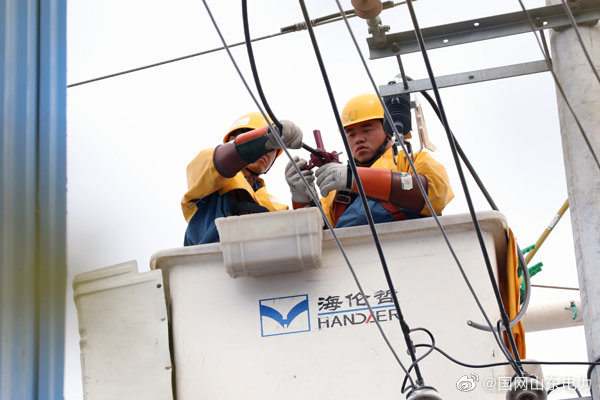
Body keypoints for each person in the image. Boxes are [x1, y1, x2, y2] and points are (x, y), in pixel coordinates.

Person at [285, 93, 453, 228]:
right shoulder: (337, 191)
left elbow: (435, 194)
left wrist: (354, 178)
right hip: (354, 258)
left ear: (389, 130)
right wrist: (304, 201)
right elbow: (321, 238)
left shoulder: (412, 161)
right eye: (351, 134)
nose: (358, 139)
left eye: (366, 130)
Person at [182, 112, 303, 245]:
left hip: (260, 258)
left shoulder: (275, 206)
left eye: (273, 147)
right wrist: (265, 137)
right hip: (211, 257)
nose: (266, 151)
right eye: (266, 143)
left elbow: (300, 239)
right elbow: (218, 161)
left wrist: (302, 199)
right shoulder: (209, 172)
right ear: (232, 140)